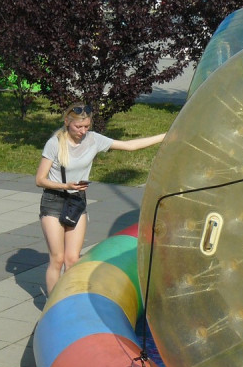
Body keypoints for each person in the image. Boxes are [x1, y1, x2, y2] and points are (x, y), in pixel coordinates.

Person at [35, 102, 165, 294]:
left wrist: (166, 136)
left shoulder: (93, 140)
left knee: (72, 259)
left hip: (77, 201)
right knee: (57, 258)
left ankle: (68, 301)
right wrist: (66, 185)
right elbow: (40, 179)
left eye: (87, 126)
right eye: (78, 127)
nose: (83, 131)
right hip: (54, 201)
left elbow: (130, 146)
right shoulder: (55, 144)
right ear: (67, 122)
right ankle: (50, 306)